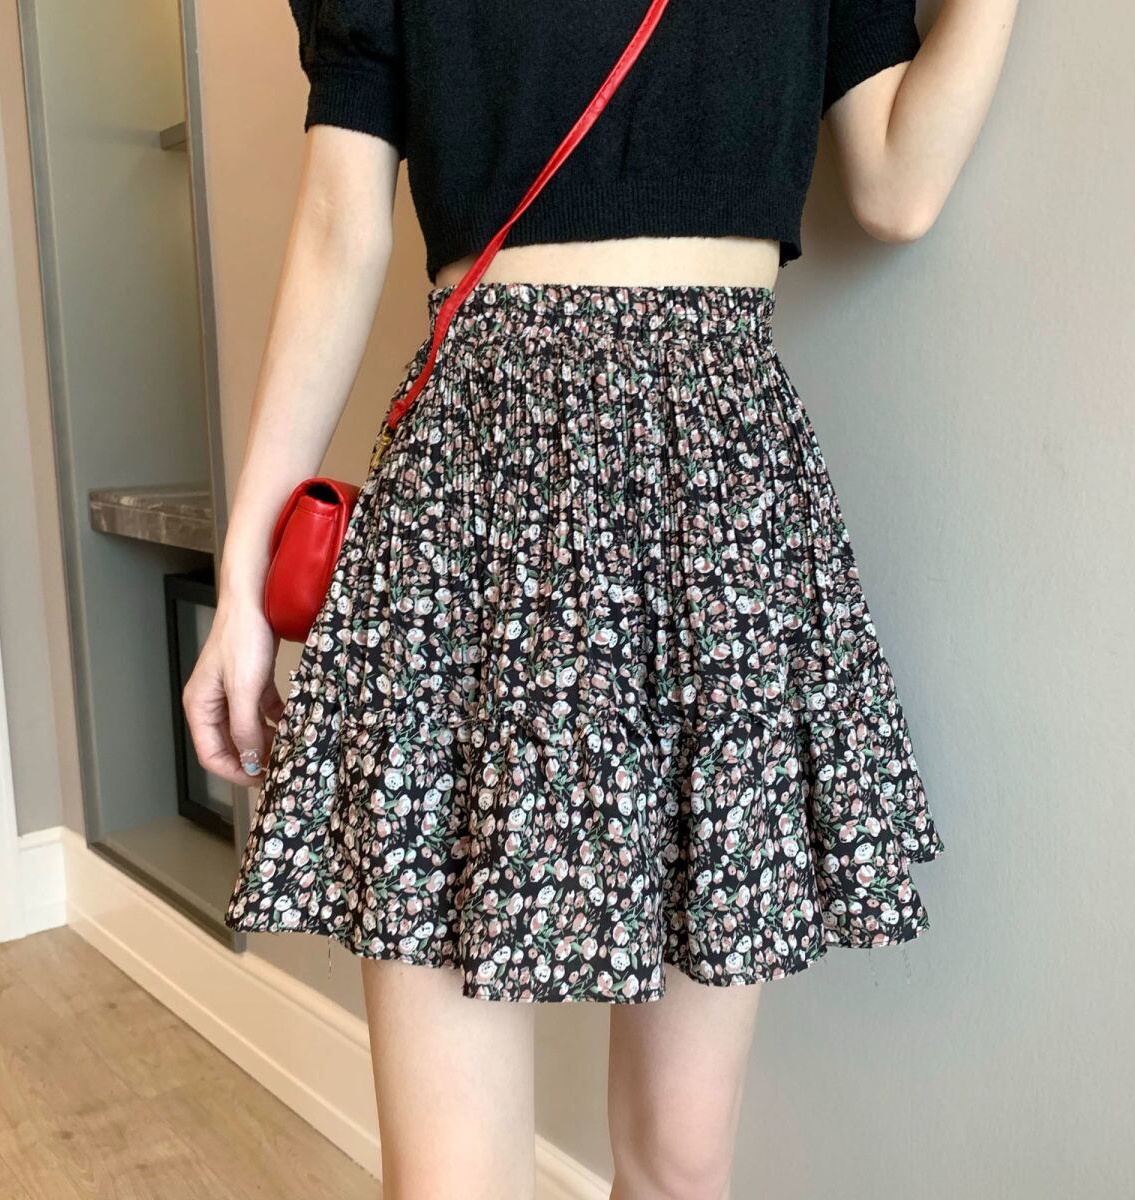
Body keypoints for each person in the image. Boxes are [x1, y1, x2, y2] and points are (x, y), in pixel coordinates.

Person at [185, 3, 1015, 1197]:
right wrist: (242, 582)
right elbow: (336, 227)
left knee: (679, 1160)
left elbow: (897, 182)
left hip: (716, 510)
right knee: (451, 1182)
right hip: (474, 498)